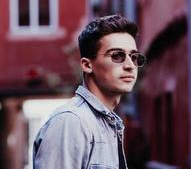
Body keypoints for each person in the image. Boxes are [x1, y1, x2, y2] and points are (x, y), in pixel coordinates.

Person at [33, 14, 146, 169]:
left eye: (133, 57)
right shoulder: (71, 122)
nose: (130, 65)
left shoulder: (108, 125)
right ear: (87, 65)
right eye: (117, 56)